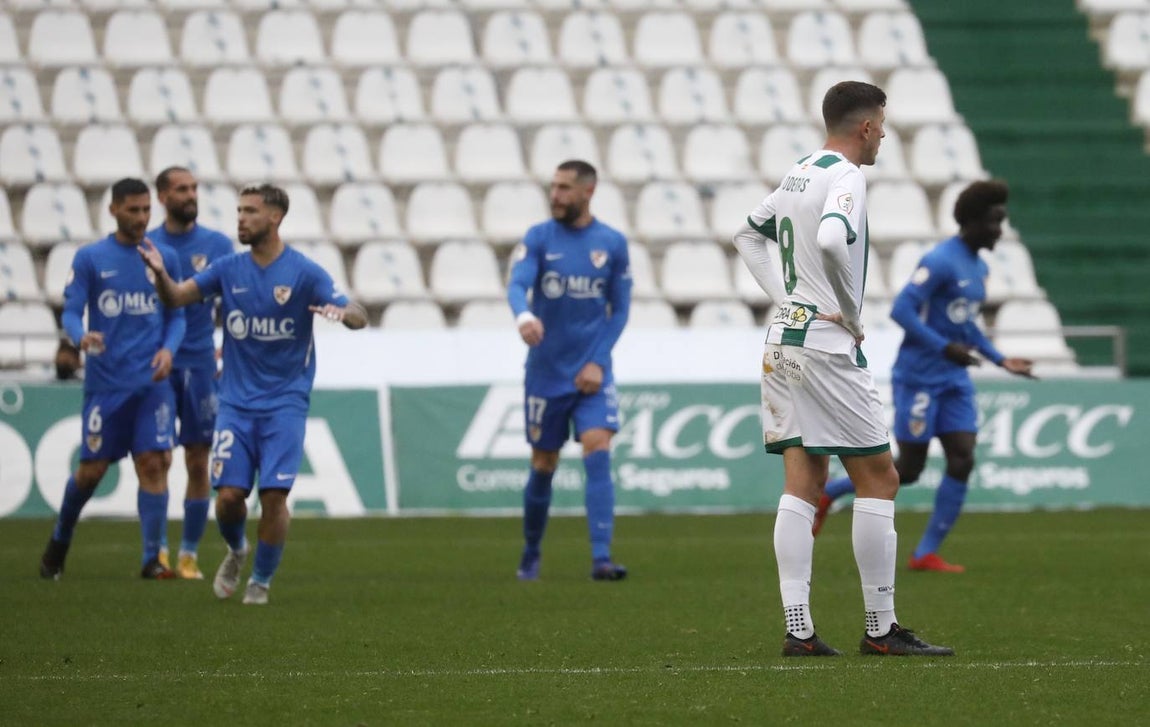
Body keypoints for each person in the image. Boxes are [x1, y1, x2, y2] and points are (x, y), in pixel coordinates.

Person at [733, 81, 953, 656]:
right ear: (865, 126)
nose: (883, 133)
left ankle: (798, 628)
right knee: (880, 478)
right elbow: (833, 239)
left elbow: (746, 235)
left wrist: (787, 300)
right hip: (828, 344)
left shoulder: (799, 170)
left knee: (802, 480)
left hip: (783, 340)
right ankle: (881, 629)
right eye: (881, 123)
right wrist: (851, 314)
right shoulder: (848, 176)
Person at [139, 183, 367, 605]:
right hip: (236, 404)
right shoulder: (228, 269)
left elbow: (359, 313)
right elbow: (176, 296)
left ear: (275, 218)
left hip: (286, 403)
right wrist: (160, 276)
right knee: (227, 499)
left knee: (275, 495)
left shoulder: (304, 272)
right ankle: (237, 549)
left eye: (250, 211)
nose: (240, 218)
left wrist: (343, 314)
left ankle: (260, 580)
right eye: (239, 210)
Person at [814, 180, 1034, 572]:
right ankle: (831, 493)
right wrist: (943, 347)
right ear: (972, 221)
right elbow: (902, 310)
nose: (1000, 229)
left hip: (954, 380)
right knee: (909, 470)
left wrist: (1001, 360)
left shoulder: (979, 267)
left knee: (963, 459)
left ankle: (924, 553)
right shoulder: (939, 261)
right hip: (919, 377)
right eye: (995, 221)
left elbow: (966, 326)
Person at [40, 177, 186, 580]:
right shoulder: (91, 258)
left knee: (154, 463)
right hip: (107, 384)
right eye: (133, 210)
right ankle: (60, 538)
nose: (141, 218)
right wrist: (78, 335)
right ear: (114, 210)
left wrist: (169, 348)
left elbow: (177, 316)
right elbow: (72, 310)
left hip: (153, 383)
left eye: (145, 210)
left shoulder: (164, 258)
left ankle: (152, 559)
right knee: (91, 472)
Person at [507, 160, 632, 582]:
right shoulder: (539, 237)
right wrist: (524, 316)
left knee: (598, 448)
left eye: (563, 188)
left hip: (593, 372)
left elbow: (619, 312)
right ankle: (531, 552)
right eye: (553, 187)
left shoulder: (611, 243)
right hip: (545, 372)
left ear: (587, 191)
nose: (555, 195)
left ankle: (601, 558)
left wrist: (598, 361)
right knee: (544, 461)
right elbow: (516, 283)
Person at [147, 166, 235, 580]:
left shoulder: (217, 244)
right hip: (159, 364)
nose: (191, 194)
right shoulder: (148, 245)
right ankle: (156, 553)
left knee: (199, 462)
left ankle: (188, 555)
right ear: (162, 196)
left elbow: (234, 302)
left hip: (201, 362)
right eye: (182, 189)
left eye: (195, 188)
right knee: (157, 458)